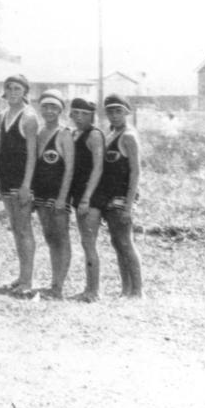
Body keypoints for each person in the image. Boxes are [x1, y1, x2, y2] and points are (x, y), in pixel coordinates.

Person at [84, 94, 143, 298]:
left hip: (121, 196)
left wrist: (128, 205)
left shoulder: (128, 136)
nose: (114, 115)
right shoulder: (109, 134)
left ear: (127, 112)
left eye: (119, 111)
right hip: (107, 195)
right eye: (110, 111)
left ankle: (137, 291)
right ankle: (126, 289)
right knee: (117, 243)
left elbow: (136, 171)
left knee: (125, 242)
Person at [0, 74, 39, 294]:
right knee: (16, 228)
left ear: (25, 91)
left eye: (17, 88)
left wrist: (27, 185)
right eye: (9, 88)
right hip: (6, 178)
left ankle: (28, 281)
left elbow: (32, 154)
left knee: (24, 229)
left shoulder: (28, 116)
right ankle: (21, 276)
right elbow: (0, 149)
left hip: (22, 181)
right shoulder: (3, 114)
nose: (13, 92)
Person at [30, 89, 75, 298]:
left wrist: (63, 197)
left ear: (61, 110)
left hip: (58, 194)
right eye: (45, 107)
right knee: (49, 237)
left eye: (54, 107)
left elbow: (70, 168)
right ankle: (53, 283)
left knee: (61, 238)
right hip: (41, 193)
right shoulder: (39, 133)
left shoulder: (64, 133)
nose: (49, 111)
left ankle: (58, 287)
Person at [67, 97, 105, 302]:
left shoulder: (95, 135)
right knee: (85, 242)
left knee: (89, 243)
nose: (79, 117)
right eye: (76, 113)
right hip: (78, 195)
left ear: (92, 116)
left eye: (84, 114)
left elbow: (98, 168)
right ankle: (89, 288)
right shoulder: (74, 134)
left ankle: (93, 291)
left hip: (91, 197)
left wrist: (86, 198)